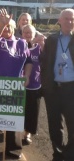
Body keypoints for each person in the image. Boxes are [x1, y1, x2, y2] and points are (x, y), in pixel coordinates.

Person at [0, 9, 32, 159]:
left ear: (14, 28)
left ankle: (14, 149)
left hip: (13, 86)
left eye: (9, 26)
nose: (6, 28)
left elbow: (28, 61)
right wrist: (2, 25)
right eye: (3, 26)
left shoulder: (22, 43)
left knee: (13, 118)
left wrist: (27, 76)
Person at [40, 9, 74, 161]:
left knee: (72, 123)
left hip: (71, 88)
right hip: (53, 88)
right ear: (59, 21)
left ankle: (70, 153)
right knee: (54, 124)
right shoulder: (51, 39)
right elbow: (45, 62)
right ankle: (58, 153)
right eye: (66, 19)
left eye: (72, 19)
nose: (70, 21)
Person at [21, 24, 44, 145]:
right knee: (20, 110)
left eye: (30, 33)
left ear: (34, 34)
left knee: (32, 111)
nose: (28, 35)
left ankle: (27, 133)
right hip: (20, 85)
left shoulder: (38, 48)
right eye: (25, 32)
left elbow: (47, 57)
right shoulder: (19, 46)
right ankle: (16, 131)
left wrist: (42, 43)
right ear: (22, 34)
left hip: (35, 84)